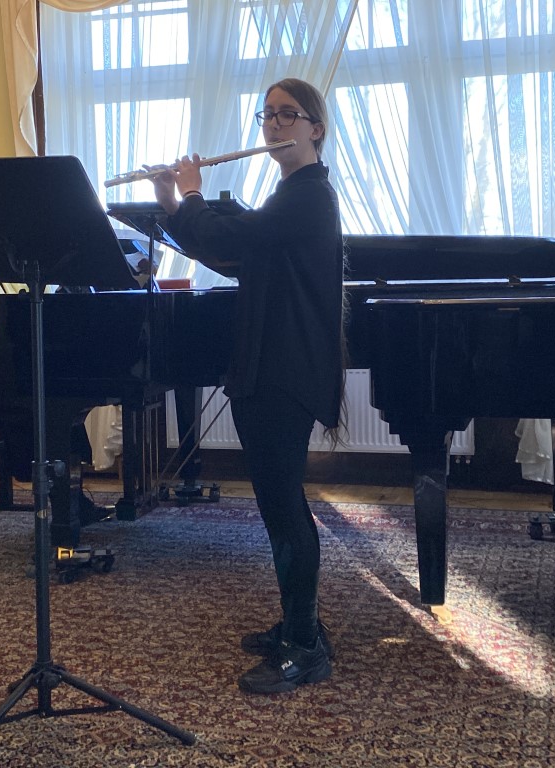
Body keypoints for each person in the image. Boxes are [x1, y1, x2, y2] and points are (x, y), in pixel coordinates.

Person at [150, 78, 344, 694]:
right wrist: (172, 203)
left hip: (285, 370)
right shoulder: (287, 198)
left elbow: (230, 236)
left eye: (289, 115)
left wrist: (192, 193)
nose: (275, 125)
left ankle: (305, 646)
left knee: (284, 507)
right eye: (268, 115)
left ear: (316, 128)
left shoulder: (309, 196)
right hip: (270, 366)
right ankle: (299, 622)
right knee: (278, 505)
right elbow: (226, 253)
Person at [0, 245, 116, 521]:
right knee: (33, 413)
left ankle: (72, 502)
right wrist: (29, 323)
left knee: (59, 413)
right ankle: (53, 495)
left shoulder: (12, 277)